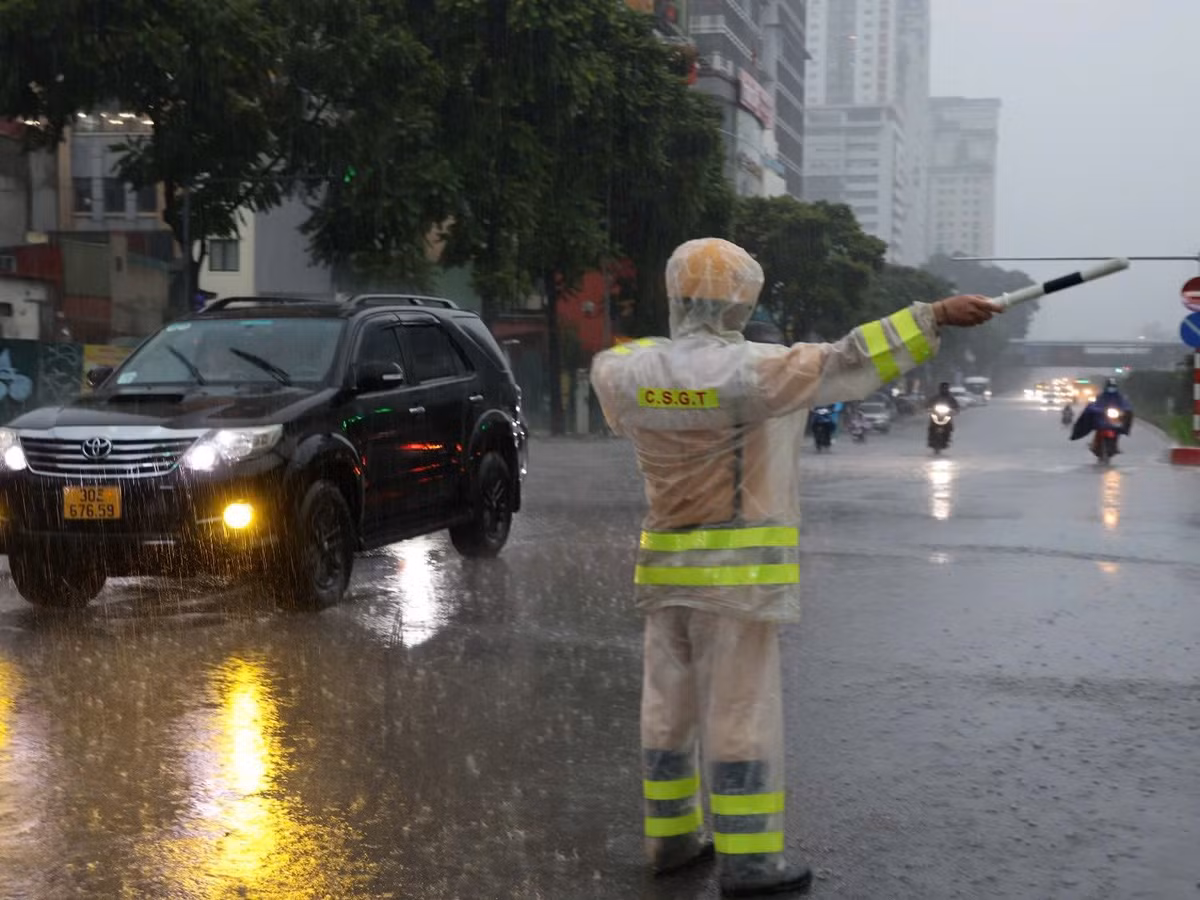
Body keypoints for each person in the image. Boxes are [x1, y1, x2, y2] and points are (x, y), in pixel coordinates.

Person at [589, 238, 998, 897]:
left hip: (665, 578)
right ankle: (749, 864)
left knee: (667, 707)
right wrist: (934, 316)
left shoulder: (623, 372)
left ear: (673, 296)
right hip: (737, 581)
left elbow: (643, 362)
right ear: (743, 301)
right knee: (740, 711)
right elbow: (849, 360)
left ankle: (670, 842)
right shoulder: (759, 372)